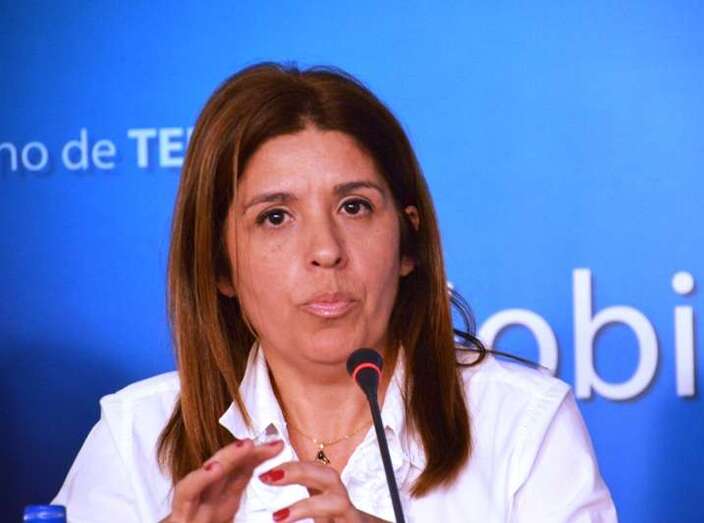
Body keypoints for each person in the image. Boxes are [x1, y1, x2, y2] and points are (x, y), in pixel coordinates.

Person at [53, 62, 617, 522]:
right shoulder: (134, 439)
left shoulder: (522, 424)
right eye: (275, 217)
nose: (326, 249)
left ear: (408, 245)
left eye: (354, 207)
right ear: (220, 267)